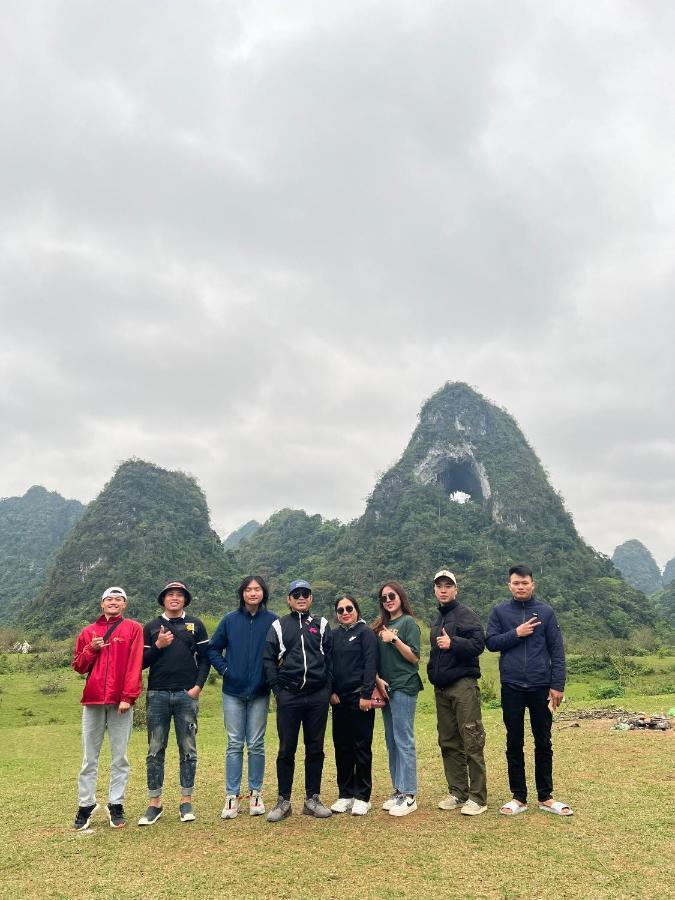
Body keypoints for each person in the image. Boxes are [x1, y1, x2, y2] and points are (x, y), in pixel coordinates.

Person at [486, 564, 572, 817]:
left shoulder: (546, 612)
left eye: (525, 583)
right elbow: (490, 642)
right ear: (509, 585)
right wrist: (516, 633)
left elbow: (557, 651)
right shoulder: (500, 612)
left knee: (543, 741)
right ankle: (518, 797)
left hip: (541, 687)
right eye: (516, 583)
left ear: (533, 584)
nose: (520, 587)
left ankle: (546, 796)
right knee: (514, 741)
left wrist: (557, 685)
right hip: (511, 686)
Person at [138, 581, 210, 826]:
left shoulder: (196, 625)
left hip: (185, 695)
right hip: (157, 694)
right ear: (163, 600)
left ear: (185, 600)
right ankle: (154, 803)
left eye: (179, 595)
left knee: (188, 748)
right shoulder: (151, 627)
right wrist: (158, 646)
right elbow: (141, 663)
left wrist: (197, 687)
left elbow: (205, 660)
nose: (175, 598)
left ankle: (185, 799)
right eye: (170, 595)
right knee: (155, 749)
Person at [71, 586, 143, 830]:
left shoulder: (133, 628)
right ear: (102, 604)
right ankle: (85, 805)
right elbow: (78, 666)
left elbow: (135, 664)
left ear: (125, 604)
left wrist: (128, 696)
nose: (113, 602)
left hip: (120, 702)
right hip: (92, 701)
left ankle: (116, 804)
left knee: (119, 756)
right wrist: (91, 649)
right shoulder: (88, 632)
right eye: (109, 599)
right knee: (89, 757)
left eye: (118, 599)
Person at [209, 575, 278, 819]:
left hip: (260, 691)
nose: (252, 593)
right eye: (248, 589)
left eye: (257, 589)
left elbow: (281, 651)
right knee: (235, 743)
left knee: (257, 744)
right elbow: (213, 648)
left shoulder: (273, 621)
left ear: (263, 594)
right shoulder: (230, 620)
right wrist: (226, 670)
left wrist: (270, 676)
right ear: (242, 594)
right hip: (233, 692)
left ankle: (256, 793)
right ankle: (231, 796)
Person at [263, 579, 333, 822]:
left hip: (317, 696)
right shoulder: (278, 626)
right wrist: (278, 691)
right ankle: (283, 801)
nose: (301, 597)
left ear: (311, 598)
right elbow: (268, 660)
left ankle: (312, 799)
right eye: (296, 594)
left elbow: (330, 659)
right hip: (289, 696)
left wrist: (327, 689)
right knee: (286, 748)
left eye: (305, 594)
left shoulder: (322, 624)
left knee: (315, 748)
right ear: (289, 599)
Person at [427, 569, 488, 816]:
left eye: (448, 585)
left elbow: (479, 644)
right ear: (435, 590)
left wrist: (454, 643)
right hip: (441, 688)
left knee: (471, 737)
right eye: (439, 586)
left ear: (456, 589)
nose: (443, 589)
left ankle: (478, 797)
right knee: (448, 741)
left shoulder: (466, 615)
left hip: (463, 684)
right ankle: (458, 792)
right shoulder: (437, 619)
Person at [373, 581, 423, 817]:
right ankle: (399, 790)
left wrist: (393, 639)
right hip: (386, 688)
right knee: (391, 740)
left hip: (404, 685)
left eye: (392, 595)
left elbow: (414, 657)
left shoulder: (408, 623)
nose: (388, 600)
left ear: (401, 597)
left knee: (404, 739)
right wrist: (377, 680)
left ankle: (410, 795)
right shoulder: (381, 625)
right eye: (384, 598)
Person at [329, 594, 378, 816]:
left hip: (361, 698)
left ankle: (362, 796)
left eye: (349, 608)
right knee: (342, 747)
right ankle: (345, 794)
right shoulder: (334, 635)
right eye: (341, 610)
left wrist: (366, 693)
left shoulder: (365, 633)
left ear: (356, 609)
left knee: (361, 746)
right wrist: (331, 691)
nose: (345, 613)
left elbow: (370, 663)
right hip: (339, 700)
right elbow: (328, 664)